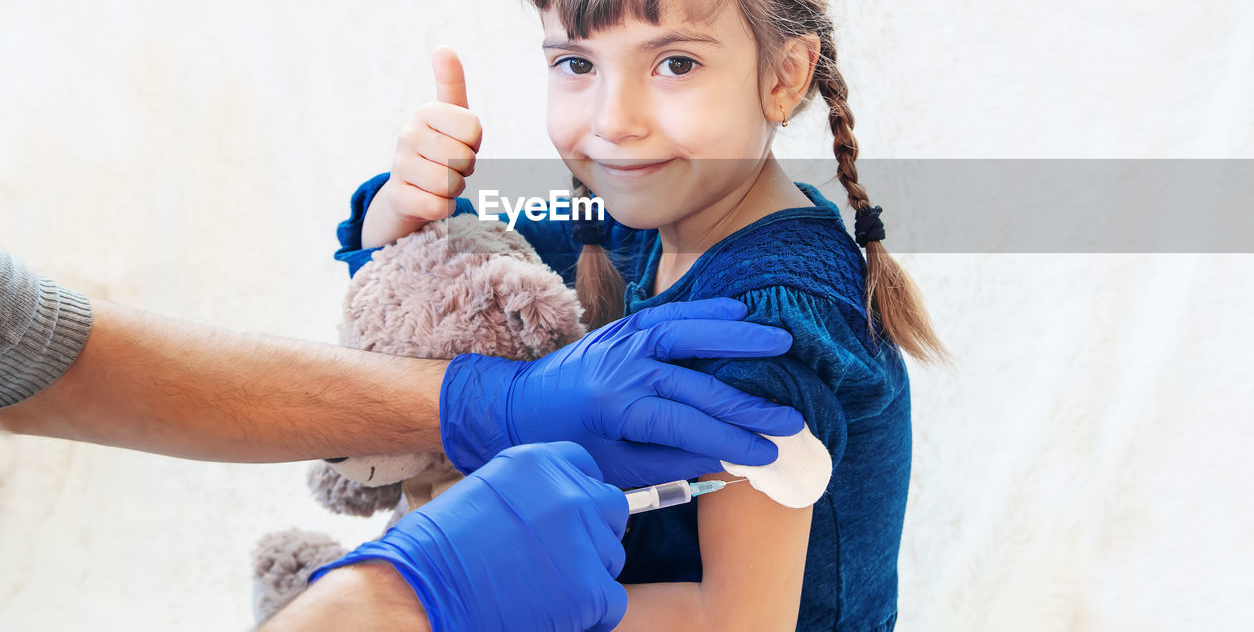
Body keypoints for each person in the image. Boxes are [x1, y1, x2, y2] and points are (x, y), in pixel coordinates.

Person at [344, 0, 949, 630]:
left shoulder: (763, 322)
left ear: (782, 75)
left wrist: (462, 596)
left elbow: (736, 621)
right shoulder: (632, 221)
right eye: (577, 63)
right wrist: (405, 205)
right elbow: (466, 252)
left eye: (674, 64)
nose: (612, 122)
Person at [0, 246, 805, 629]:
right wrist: (402, 592)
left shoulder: (784, 300)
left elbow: (39, 353)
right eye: (575, 62)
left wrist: (484, 403)